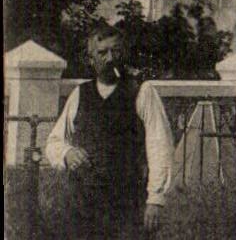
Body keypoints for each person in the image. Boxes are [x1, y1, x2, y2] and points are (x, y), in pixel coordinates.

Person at [45, 21, 173, 238]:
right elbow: (54, 141)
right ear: (90, 58)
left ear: (124, 54)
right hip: (83, 204)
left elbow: (159, 145)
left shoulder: (142, 91)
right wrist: (67, 153)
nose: (110, 58)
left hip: (127, 203)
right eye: (102, 52)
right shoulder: (80, 94)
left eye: (116, 51)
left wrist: (155, 199)